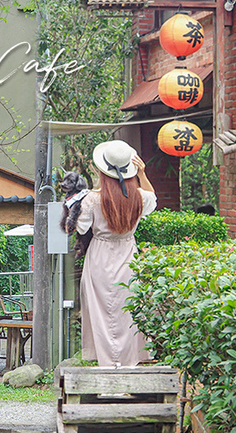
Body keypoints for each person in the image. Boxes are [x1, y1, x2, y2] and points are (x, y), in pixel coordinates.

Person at [76, 140, 157, 367]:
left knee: (102, 312)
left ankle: (106, 364)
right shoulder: (139, 197)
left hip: (99, 256)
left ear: (103, 171)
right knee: (127, 310)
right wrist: (142, 174)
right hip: (127, 255)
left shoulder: (92, 198)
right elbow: (153, 199)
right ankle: (130, 363)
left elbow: (80, 227)